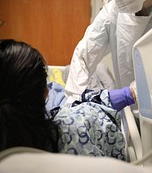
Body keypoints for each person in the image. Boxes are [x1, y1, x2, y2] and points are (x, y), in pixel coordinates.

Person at [0, 39, 137, 159]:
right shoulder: (75, 126)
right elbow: (94, 113)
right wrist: (127, 94)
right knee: (99, 70)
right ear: (46, 92)